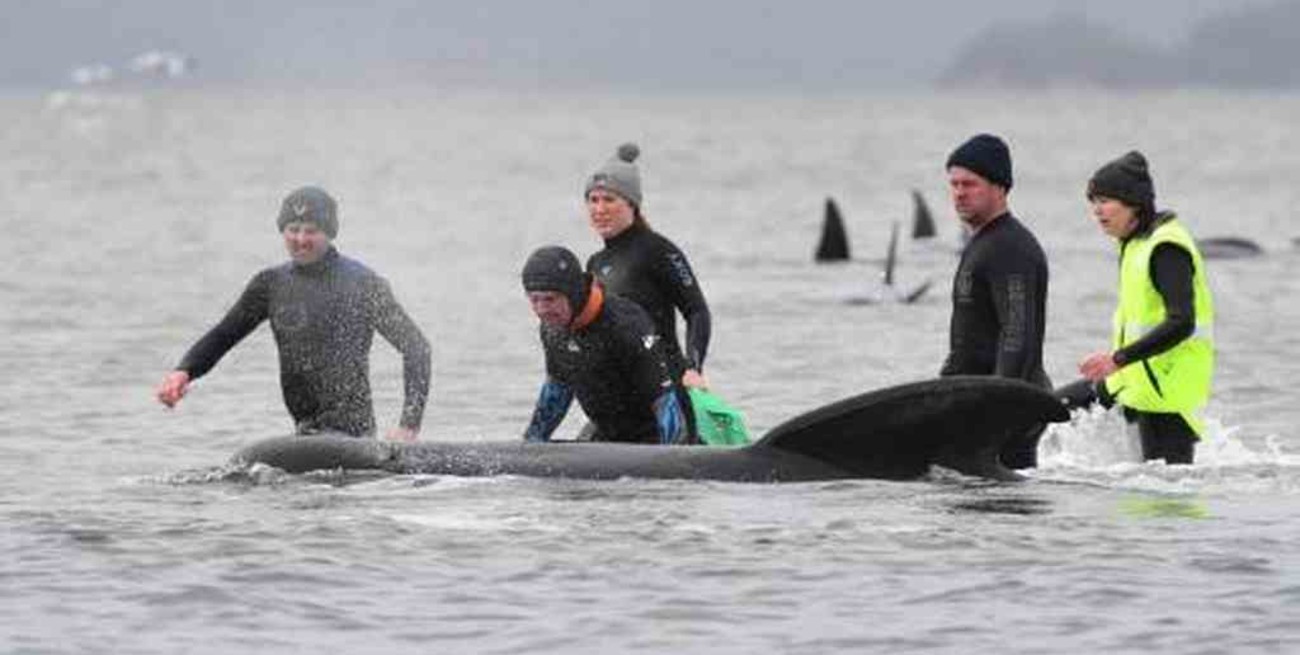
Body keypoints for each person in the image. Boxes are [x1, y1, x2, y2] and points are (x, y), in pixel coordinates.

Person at [155, 186, 431, 441]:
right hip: (303, 433)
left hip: (352, 438)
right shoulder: (271, 285)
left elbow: (416, 347)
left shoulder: (363, 284)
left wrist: (409, 426)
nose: (300, 239)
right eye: (293, 229)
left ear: (330, 232)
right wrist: (184, 372)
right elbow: (224, 335)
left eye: (311, 230)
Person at [1061, 151, 1215, 464]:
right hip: (1131, 379)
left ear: (1134, 203)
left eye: (1105, 201)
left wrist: (1117, 359)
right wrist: (1118, 363)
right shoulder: (1134, 243)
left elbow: (1182, 322)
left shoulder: (1166, 248)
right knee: (1047, 409)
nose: (1097, 211)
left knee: (1163, 487)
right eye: (1093, 202)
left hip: (1166, 392)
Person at [582, 143, 712, 436]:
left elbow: (697, 311)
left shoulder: (658, 250)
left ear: (632, 204)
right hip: (621, 397)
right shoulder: (595, 264)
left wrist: (694, 367)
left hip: (666, 391)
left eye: (609, 200)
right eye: (593, 200)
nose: (599, 209)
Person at [940, 134, 1051, 469]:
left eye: (970, 184)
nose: (959, 193)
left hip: (1005, 411)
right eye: (954, 184)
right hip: (980, 402)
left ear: (1000, 187)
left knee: (1002, 500)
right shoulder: (984, 243)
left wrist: (997, 409)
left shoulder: (1009, 248)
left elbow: (1017, 334)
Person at [521, 245, 689, 445]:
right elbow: (557, 391)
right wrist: (531, 445)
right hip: (606, 438)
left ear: (574, 292)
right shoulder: (553, 329)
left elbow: (665, 402)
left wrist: (670, 458)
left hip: (656, 439)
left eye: (550, 299)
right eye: (534, 299)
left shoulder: (626, 325)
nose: (541, 310)